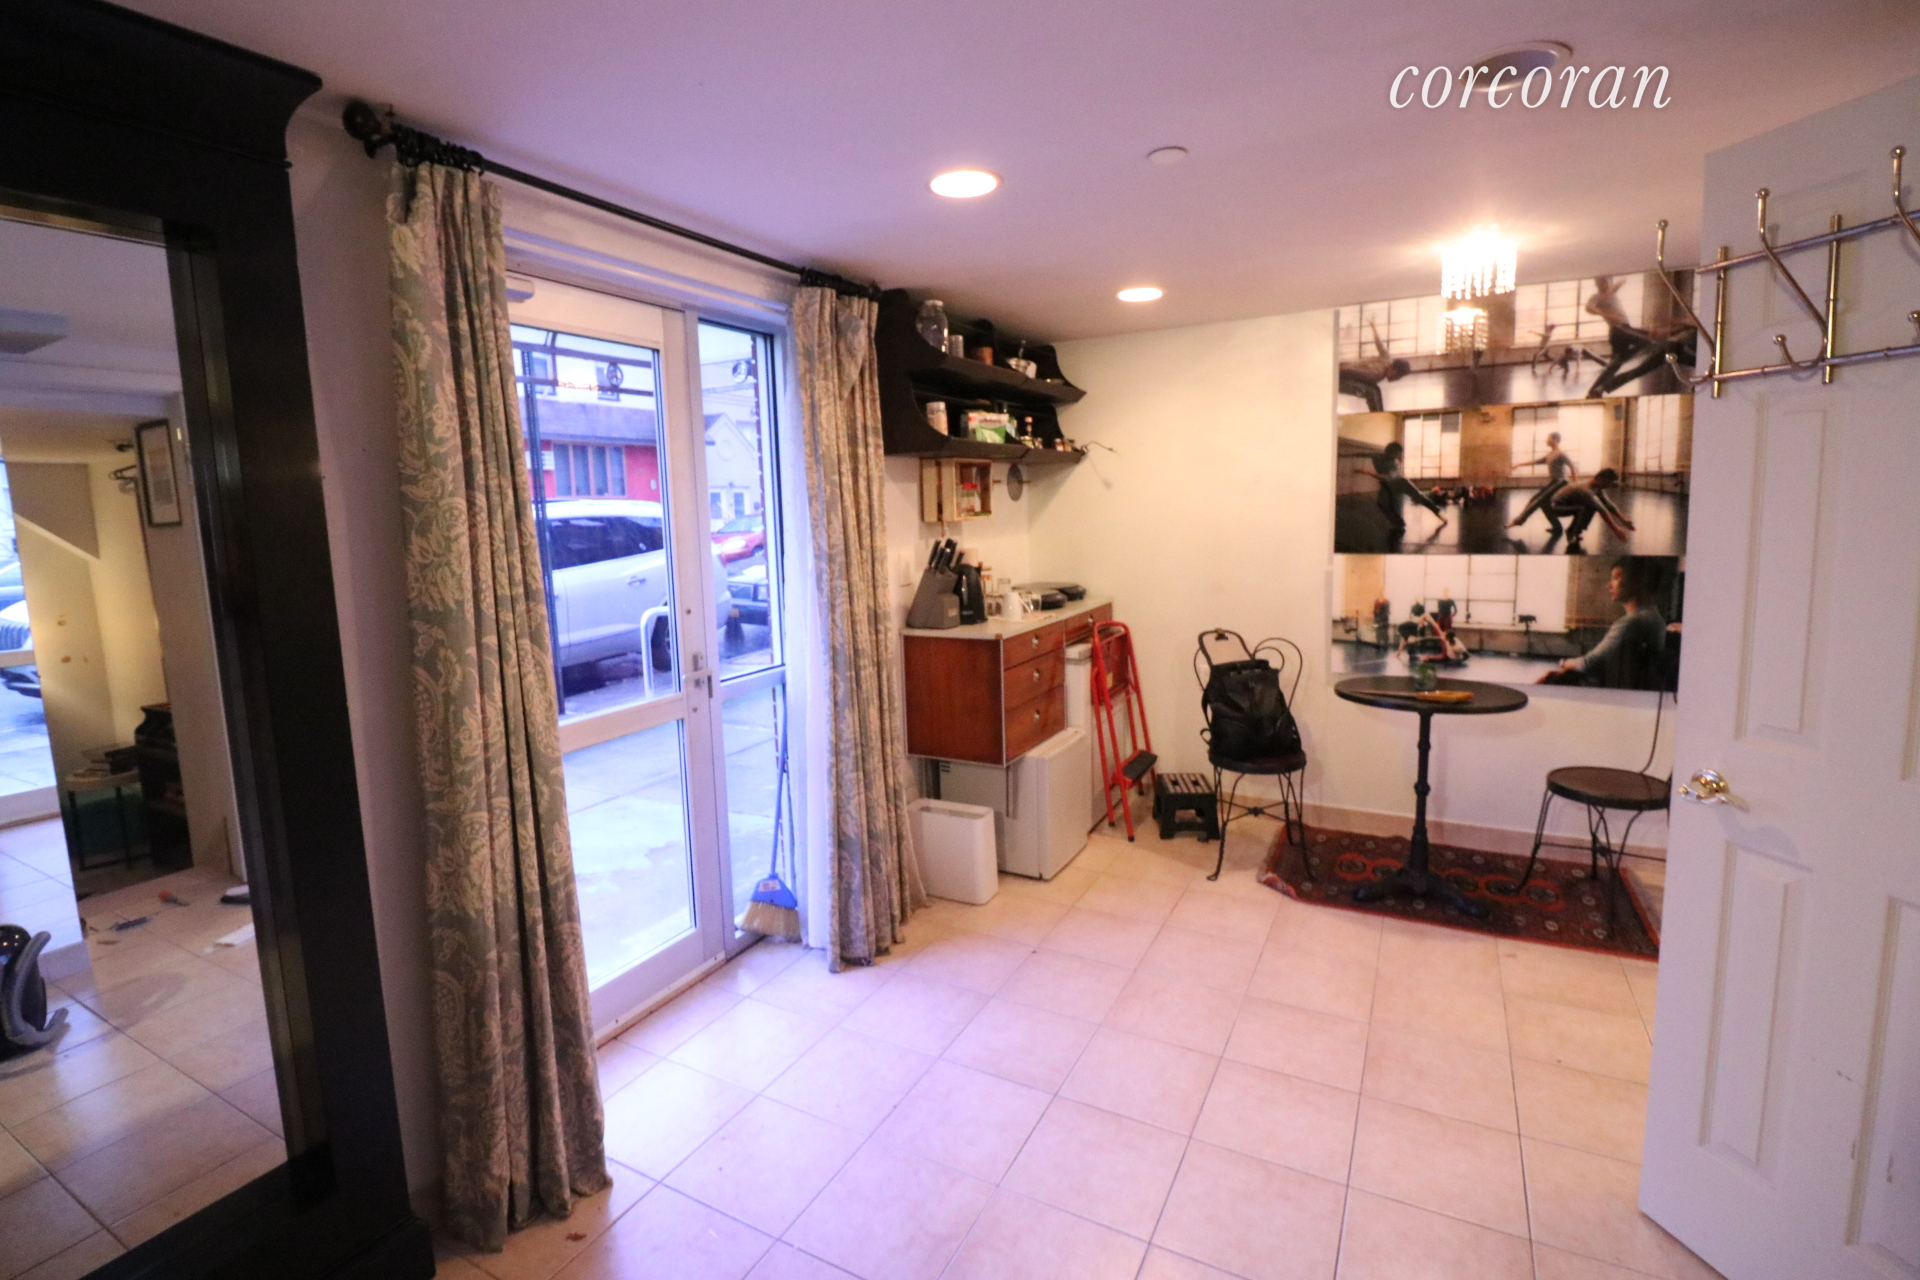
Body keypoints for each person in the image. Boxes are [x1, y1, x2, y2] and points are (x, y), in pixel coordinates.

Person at [1540, 559, 1667, 686]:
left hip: (1617, 687)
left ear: (1636, 583)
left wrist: (1563, 662)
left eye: (1616, 578)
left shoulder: (1631, 623)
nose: (1609, 585)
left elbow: (1589, 664)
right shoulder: (1655, 617)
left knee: (1551, 678)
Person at [1583, 275, 1698, 398]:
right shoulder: (1597, 297)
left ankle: (1596, 389)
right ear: (1597, 284)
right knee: (1648, 344)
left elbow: (1619, 283)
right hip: (1618, 330)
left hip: (1626, 329)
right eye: (1601, 282)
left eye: (1606, 281)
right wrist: (1606, 314)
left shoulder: (1611, 293)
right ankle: (1601, 386)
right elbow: (1589, 308)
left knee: (1616, 364)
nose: (1605, 284)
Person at [1362, 441, 1448, 536]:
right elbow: (1365, 454)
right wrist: (1350, 455)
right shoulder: (1379, 456)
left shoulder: (1392, 463)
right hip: (1387, 484)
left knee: (1419, 497)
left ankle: (1439, 514)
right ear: (1392, 452)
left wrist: (1366, 472)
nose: (1399, 455)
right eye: (1399, 453)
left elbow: (1386, 477)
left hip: (1400, 482)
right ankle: (1398, 523)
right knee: (1382, 503)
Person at [1546, 468, 1635, 549]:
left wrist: (1623, 519)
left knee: (1590, 506)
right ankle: (1571, 532)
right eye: (1609, 483)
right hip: (1556, 507)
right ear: (1601, 479)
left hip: (1568, 504)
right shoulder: (1586, 490)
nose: (1609, 486)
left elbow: (1608, 504)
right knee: (1585, 508)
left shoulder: (1597, 487)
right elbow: (1602, 510)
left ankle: (1577, 531)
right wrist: (1616, 529)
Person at [1339, 320, 1412, 412]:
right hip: (1341, 379)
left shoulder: (1387, 359)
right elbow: (1352, 372)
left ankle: (1379, 413)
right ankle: (1376, 414)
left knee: (1376, 390)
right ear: (1394, 370)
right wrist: (1337, 370)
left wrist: (1373, 327)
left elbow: (1378, 343)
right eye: (1397, 376)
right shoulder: (1377, 373)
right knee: (1371, 393)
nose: (1395, 379)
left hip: (1348, 374)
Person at [1509, 430, 1576, 528]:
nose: (1546, 440)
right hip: (1554, 482)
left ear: (1555, 439)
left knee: (1538, 500)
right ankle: (1557, 527)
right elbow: (1535, 462)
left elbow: (1572, 467)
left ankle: (1518, 521)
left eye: (1548, 438)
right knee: (1543, 503)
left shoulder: (1561, 453)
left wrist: (1574, 485)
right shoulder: (1550, 454)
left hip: (1561, 482)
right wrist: (1519, 464)